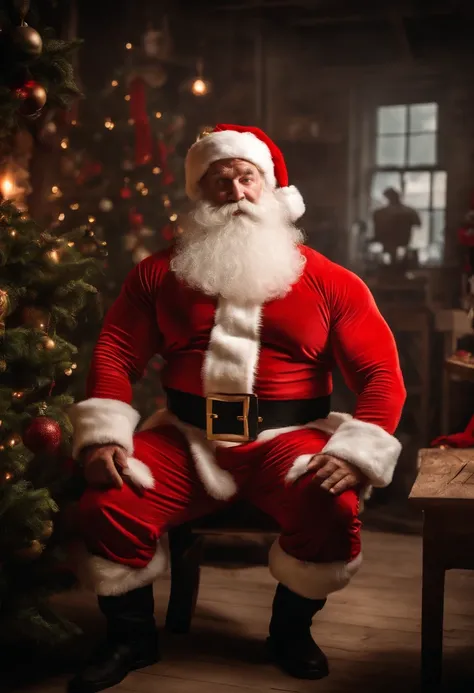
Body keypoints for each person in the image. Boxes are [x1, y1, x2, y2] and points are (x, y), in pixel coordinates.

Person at [67, 123, 406, 693]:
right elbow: (117, 352)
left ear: (270, 190)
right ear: (200, 198)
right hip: (186, 439)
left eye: (246, 177)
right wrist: (103, 437)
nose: (236, 192)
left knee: (333, 505)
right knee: (108, 500)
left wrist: (358, 454)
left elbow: (380, 376)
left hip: (290, 439)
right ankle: (130, 638)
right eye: (218, 182)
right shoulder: (158, 274)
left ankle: (289, 631)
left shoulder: (330, 281)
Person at [372, 186, 421, 262]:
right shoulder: (409, 211)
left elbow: (418, 224)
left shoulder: (381, 213)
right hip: (391, 242)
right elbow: (418, 223)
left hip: (399, 242)